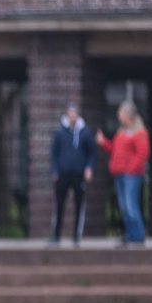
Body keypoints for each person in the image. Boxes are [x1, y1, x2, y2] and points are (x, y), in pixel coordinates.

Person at [96, 100, 150, 247]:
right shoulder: (121, 132)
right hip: (119, 174)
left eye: (120, 112)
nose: (118, 115)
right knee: (123, 206)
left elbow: (143, 153)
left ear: (128, 114)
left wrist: (132, 169)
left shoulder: (139, 132)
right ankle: (129, 235)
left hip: (130, 175)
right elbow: (115, 150)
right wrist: (103, 143)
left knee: (130, 205)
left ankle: (138, 236)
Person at [49, 104, 94, 247]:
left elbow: (91, 153)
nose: (73, 117)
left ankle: (76, 235)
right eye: (71, 114)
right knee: (60, 204)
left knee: (79, 205)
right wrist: (55, 170)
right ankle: (56, 235)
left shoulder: (85, 133)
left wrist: (89, 168)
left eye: (75, 114)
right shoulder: (60, 133)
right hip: (63, 174)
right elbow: (54, 153)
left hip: (79, 174)